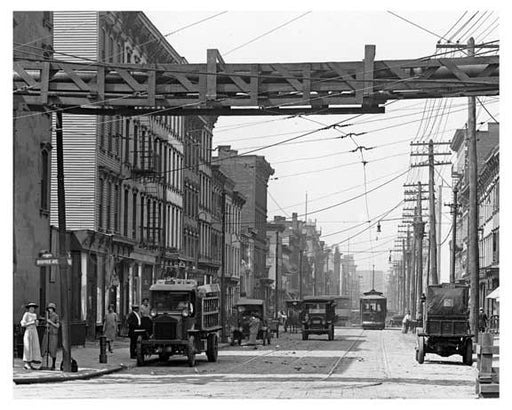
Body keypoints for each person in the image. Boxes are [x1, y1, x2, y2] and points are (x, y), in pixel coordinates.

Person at [20, 302, 42, 370]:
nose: (32, 309)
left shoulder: (35, 315)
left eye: (33, 308)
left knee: (34, 347)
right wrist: (31, 322)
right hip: (28, 331)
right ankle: (26, 363)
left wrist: (36, 323)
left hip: (34, 332)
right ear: (29, 308)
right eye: (31, 308)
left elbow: (36, 324)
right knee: (28, 346)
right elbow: (23, 324)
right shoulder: (26, 314)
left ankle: (32, 362)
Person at [41, 302, 60, 370]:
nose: (50, 310)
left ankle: (53, 365)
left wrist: (51, 322)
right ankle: (43, 364)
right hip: (47, 333)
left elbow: (57, 326)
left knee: (53, 349)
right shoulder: (47, 315)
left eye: (51, 308)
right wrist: (46, 324)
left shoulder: (56, 316)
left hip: (53, 334)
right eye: (49, 308)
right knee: (44, 347)